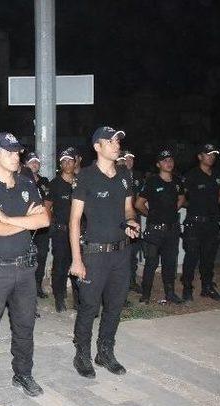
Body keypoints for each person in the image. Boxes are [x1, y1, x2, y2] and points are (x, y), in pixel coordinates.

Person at [0, 132, 50, 404]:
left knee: (25, 327)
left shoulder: (27, 184)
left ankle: (23, 374)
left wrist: (7, 219)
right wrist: (25, 220)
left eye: (18, 152)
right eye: (11, 152)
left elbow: (44, 220)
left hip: (25, 270)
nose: (17, 156)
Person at [69, 127, 139, 378]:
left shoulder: (124, 175)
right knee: (89, 307)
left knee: (115, 306)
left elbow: (128, 209)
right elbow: (74, 220)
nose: (116, 144)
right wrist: (77, 259)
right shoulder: (86, 176)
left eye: (118, 140)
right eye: (110, 141)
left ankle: (105, 352)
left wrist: (131, 221)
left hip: (121, 254)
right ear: (97, 147)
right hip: (95, 254)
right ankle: (82, 355)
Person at [135, 149, 185, 304]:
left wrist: (170, 211)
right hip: (154, 231)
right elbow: (138, 203)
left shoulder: (177, 181)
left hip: (172, 229)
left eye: (170, 160)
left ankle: (170, 294)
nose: (168, 163)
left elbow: (181, 198)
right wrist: (151, 215)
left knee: (170, 262)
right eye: (164, 161)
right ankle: (146, 295)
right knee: (151, 263)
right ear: (158, 164)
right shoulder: (152, 181)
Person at [180, 143, 220, 301]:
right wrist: (195, 205)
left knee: (209, 257)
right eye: (208, 154)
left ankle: (207, 287)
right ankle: (187, 288)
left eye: (214, 154)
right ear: (200, 156)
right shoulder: (191, 175)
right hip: (194, 223)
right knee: (192, 256)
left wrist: (210, 205)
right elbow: (182, 198)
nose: (212, 157)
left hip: (212, 223)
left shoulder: (218, 174)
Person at [45, 149, 78, 312]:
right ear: (60, 164)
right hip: (61, 232)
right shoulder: (55, 184)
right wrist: (51, 226)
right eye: (64, 161)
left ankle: (78, 300)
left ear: (75, 163)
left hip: (79, 232)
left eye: (70, 161)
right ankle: (59, 297)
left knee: (79, 264)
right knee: (60, 266)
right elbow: (47, 207)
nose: (67, 164)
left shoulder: (81, 182)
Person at [24, 152, 51, 299]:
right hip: (26, 226)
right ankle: (25, 290)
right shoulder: (20, 180)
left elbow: (48, 202)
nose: (34, 164)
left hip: (42, 227)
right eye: (31, 162)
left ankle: (37, 287)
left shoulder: (44, 181)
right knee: (26, 259)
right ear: (26, 165)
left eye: (36, 162)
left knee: (41, 257)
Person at [117, 150, 143, 294]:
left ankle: (132, 281)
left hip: (135, 218)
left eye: (131, 159)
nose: (129, 161)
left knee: (133, 252)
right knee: (122, 253)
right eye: (126, 159)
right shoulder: (117, 176)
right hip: (121, 219)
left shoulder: (137, 177)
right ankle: (122, 286)